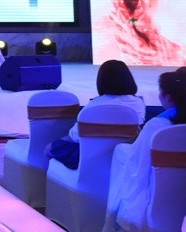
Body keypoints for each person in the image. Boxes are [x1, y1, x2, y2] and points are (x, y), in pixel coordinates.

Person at [103, 68, 186, 231]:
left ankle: (114, 220)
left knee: (121, 154)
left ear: (168, 97)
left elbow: (138, 168)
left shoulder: (158, 126)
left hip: (160, 201)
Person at [46, 59, 146, 169]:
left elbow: (74, 137)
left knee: (50, 148)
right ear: (128, 79)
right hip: (124, 159)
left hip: (89, 160)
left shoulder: (93, 107)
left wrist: (59, 141)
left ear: (102, 81)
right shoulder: (138, 104)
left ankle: (42, 180)